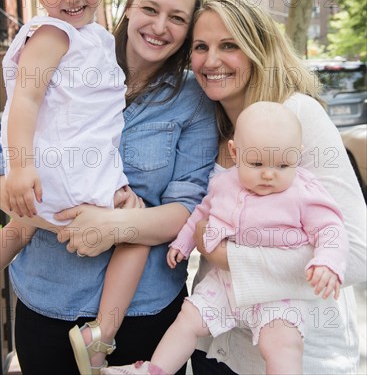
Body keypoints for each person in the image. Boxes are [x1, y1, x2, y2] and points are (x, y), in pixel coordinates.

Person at [0, 0, 217, 375]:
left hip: (146, 310)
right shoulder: (66, 54)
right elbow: (11, 158)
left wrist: (114, 226)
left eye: (177, 18)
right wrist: (41, 216)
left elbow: (188, 210)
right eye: (150, 9)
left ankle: (103, 333)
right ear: (129, 3)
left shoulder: (193, 99)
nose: (159, 26)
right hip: (46, 298)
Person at [0, 0, 153, 374]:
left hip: (75, 169)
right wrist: (21, 166)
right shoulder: (52, 34)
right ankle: (101, 335)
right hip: (67, 171)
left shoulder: (97, 39)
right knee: (134, 234)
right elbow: (24, 96)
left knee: (22, 227)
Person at [187, 0, 366, 374]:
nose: (211, 60)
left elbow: (357, 252)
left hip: (301, 356)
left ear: (258, 50)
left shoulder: (299, 114)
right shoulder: (209, 121)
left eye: (229, 45)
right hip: (216, 347)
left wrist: (226, 256)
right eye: (200, 46)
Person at [101, 102, 349, 375]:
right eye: (256, 163)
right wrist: (184, 242)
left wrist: (328, 261)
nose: (269, 174)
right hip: (224, 284)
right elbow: (201, 213)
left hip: (277, 294)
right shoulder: (224, 183)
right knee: (188, 320)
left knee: (282, 344)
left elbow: (331, 229)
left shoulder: (303, 191)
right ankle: (154, 370)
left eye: (283, 164)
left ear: (297, 158)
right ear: (235, 152)